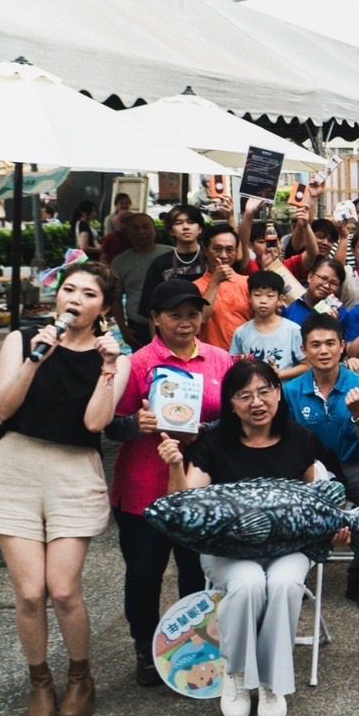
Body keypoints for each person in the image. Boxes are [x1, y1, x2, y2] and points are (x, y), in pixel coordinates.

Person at [0, 261, 127, 716]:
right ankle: (40, 680)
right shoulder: (22, 340)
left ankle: (80, 677)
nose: (75, 300)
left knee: (63, 590)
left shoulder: (115, 358)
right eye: (69, 290)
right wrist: (34, 359)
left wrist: (107, 369)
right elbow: (1, 407)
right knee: (29, 592)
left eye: (88, 294)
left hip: (74, 472)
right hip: (16, 465)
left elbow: (95, 424)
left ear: (103, 308)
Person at [155, 360, 344, 716]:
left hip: (289, 547)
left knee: (285, 582)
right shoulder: (213, 442)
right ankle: (238, 676)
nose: (256, 402)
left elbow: (320, 494)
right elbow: (184, 507)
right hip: (228, 550)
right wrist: (175, 466)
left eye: (264, 391)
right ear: (230, 403)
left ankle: (273, 681)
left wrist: (335, 525)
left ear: (278, 393)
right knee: (248, 583)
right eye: (244, 395)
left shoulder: (300, 439)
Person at [110, 280, 234, 686]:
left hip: (199, 488)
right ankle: (145, 646)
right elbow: (108, 424)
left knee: (195, 573)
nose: (186, 323)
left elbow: (235, 420)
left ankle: (191, 647)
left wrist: (206, 431)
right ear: (156, 319)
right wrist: (135, 424)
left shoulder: (219, 360)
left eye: (193, 314)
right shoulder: (138, 363)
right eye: (176, 315)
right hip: (144, 487)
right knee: (144, 573)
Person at [283, 314, 359, 612]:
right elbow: (286, 444)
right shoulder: (291, 391)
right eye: (315, 345)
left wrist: (358, 413)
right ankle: (291, 571)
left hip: (353, 464)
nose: (323, 351)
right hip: (307, 470)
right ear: (304, 350)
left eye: (330, 343)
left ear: (343, 346)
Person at [109, 213, 172, 349]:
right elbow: (116, 299)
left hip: (171, 322)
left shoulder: (171, 255)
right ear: (128, 233)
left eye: (145, 227)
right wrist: (123, 329)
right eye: (135, 228)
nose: (141, 232)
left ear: (154, 230)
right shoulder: (119, 262)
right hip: (138, 327)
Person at [229, 271, 307, 380]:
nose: (263, 300)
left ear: (280, 300)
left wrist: (281, 374)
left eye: (270, 296)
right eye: (257, 295)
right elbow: (232, 363)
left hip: (283, 392)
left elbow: (307, 365)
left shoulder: (293, 330)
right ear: (249, 298)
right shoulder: (241, 332)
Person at [137, 205, 208, 324]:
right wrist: (156, 342)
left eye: (191, 222)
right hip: (174, 331)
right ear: (171, 231)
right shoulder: (160, 263)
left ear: (200, 228)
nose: (185, 227)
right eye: (179, 223)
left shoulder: (211, 259)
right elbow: (151, 309)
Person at [195, 222, 252, 350]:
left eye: (230, 250)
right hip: (212, 358)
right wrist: (215, 282)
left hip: (245, 358)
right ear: (205, 250)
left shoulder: (248, 283)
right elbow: (201, 318)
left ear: (237, 251)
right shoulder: (194, 287)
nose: (224, 255)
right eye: (217, 249)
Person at [285, 255, 346, 326]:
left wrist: (333, 325)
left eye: (334, 283)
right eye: (323, 278)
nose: (326, 286)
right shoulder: (289, 298)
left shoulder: (340, 312)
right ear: (310, 277)